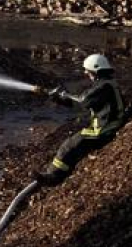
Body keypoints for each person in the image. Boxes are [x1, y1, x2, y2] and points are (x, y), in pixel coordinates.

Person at [37, 53, 125, 186]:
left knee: (69, 145)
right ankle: (61, 172)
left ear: (95, 70)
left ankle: (53, 177)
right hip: (106, 124)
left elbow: (83, 101)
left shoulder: (103, 87)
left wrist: (64, 95)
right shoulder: (105, 83)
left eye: (87, 70)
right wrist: (59, 99)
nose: (85, 73)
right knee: (74, 145)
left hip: (106, 128)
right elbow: (81, 103)